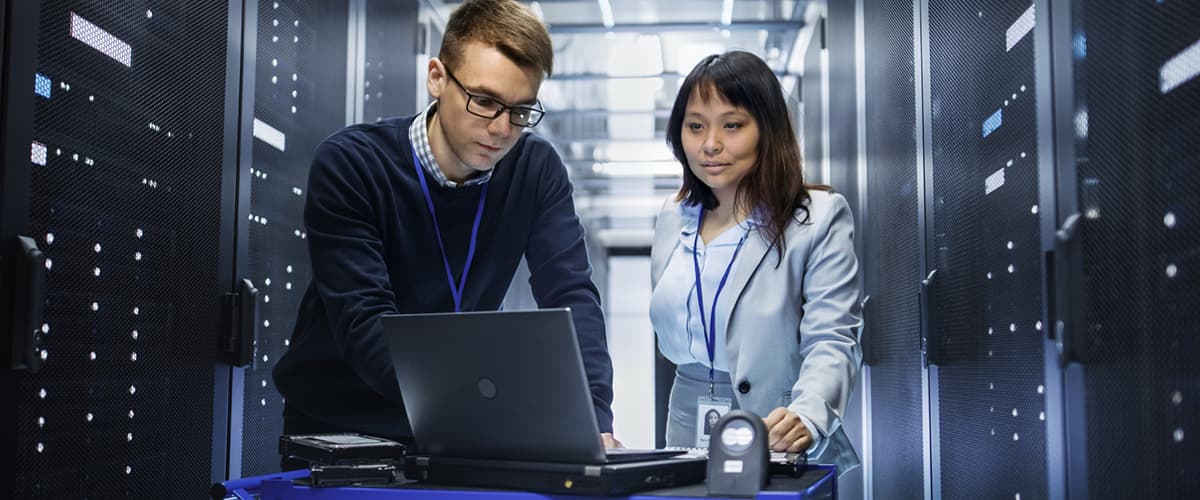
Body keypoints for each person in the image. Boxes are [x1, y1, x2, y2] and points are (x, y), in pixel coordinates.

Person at [272, 0, 619, 469]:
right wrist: (483, 407)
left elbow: (572, 293)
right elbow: (366, 322)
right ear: (437, 77)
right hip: (341, 426)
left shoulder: (536, 170)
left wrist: (595, 417)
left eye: (520, 111)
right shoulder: (352, 164)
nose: (500, 129)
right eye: (484, 101)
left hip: (458, 426)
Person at [648, 51, 862, 473]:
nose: (710, 144)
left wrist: (810, 413)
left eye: (732, 125)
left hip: (776, 430)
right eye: (695, 126)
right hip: (685, 426)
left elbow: (833, 338)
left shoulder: (817, 217)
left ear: (767, 130)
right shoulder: (674, 218)